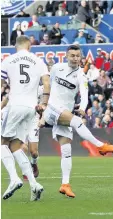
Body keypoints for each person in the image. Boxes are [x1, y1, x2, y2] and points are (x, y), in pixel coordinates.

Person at [42, 45, 113, 198]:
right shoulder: (56, 68)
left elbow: (84, 95)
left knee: (66, 151)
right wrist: (43, 103)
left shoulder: (81, 75)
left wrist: (83, 107)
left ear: (81, 57)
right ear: (66, 56)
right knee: (76, 121)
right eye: (72, 55)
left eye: (77, 56)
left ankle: (65, 184)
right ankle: (101, 146)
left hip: (64, 112)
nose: (75, 58)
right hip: (52, 108)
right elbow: (48, 85)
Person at [1, 35, 50, 201]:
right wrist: (44, 102)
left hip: (15, 106)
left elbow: (2, 84)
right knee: (15, 146)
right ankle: (35, 185)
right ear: (29, 46)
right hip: (30, 109)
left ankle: (14, 179)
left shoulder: (9, 60)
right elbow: (46, 83)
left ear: (16, 46)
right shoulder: (38, 61)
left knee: (2, 143)